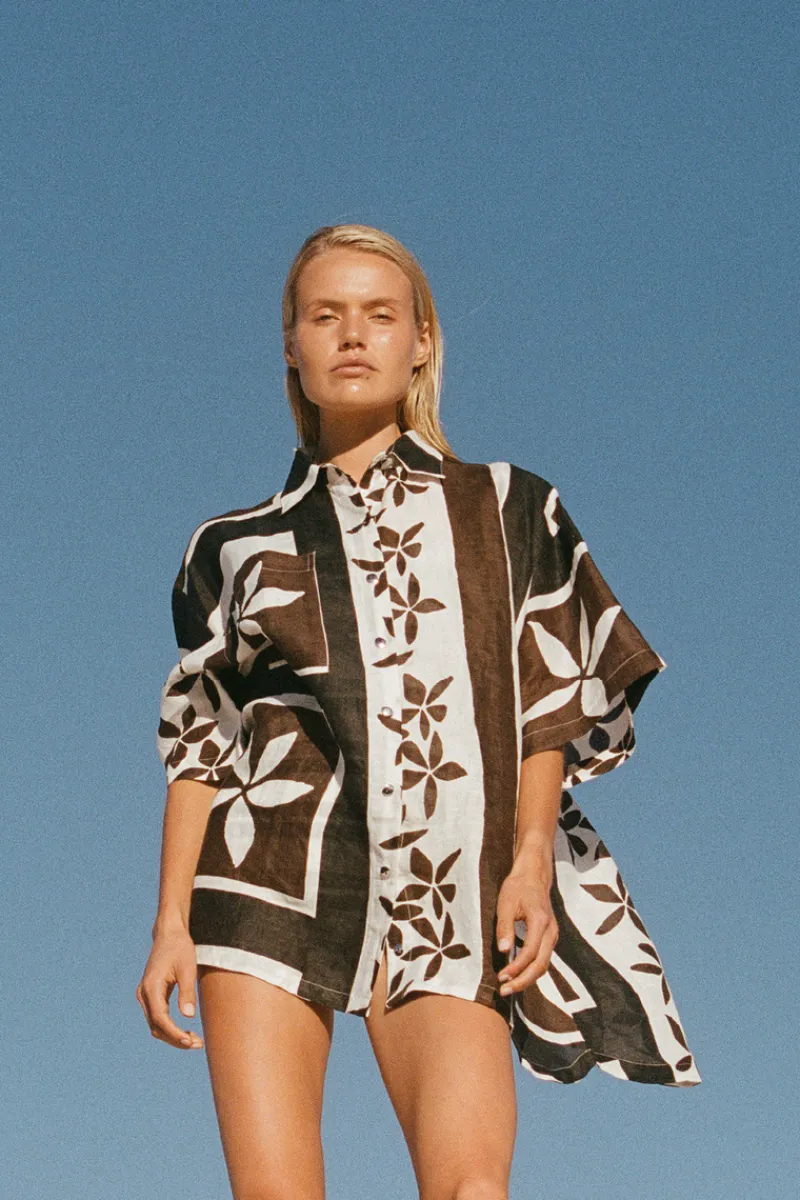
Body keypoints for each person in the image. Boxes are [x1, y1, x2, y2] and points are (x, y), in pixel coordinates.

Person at [137, 223, 700, 1200]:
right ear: (292, 346)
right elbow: (201, 745)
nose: (353, 336)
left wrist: (530, 858)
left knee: (471, 1187)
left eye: (379, 315)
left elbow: (548, 698)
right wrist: (169, 925)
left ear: (421, 341)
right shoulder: (230, 545)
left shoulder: (508, 508)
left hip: (451, 881)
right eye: (325, 316)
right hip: (269, 871)